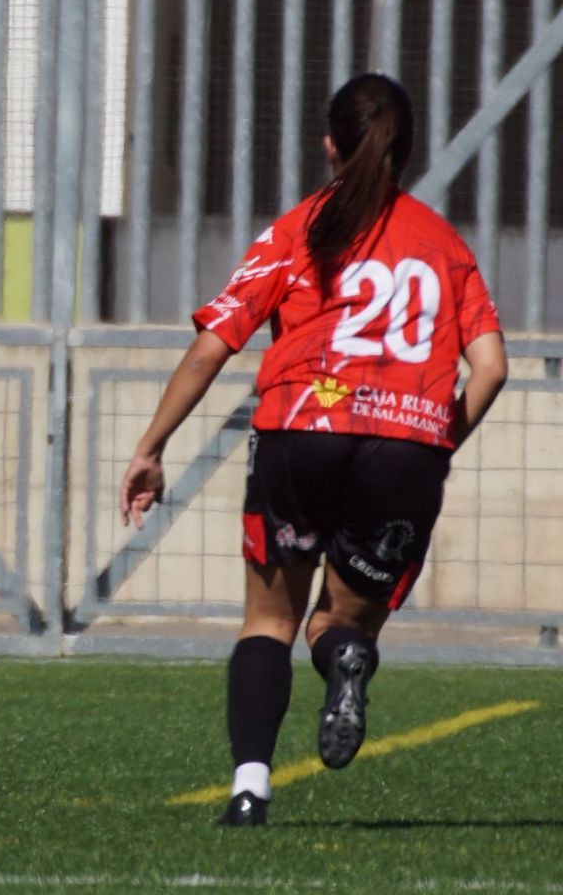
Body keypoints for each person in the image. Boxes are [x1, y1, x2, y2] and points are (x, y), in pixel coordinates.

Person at [118, 73, 507, 826]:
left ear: (330, 144)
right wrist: (434, 443)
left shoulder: (300, 228)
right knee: (341, 625)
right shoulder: (443, 242)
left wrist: (152, 445)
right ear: (408, 150)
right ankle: (345, 664)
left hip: (302, 434)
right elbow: (490, 368)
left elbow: (212, 346)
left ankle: (249, 790)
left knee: (269, 620)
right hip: (406, 449)